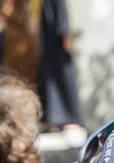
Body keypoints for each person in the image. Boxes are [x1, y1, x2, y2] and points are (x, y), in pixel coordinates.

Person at [37, 0, 82, 131]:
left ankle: (71, 117)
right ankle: (55, 117)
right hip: (50, 29)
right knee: (51, 73)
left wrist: (65, 30)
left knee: (65, 72)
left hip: (59, 28)